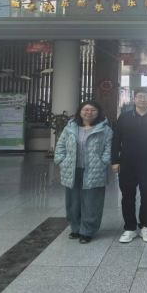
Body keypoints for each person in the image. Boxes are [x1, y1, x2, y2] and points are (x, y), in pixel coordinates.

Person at [112, 87, 147, 243]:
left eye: (146, 96)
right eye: (139, 96)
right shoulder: (124, 117)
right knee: (127, 196)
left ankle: (145, 226)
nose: (142, 99)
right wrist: (114, 160)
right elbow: (116, 140)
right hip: (127, 162)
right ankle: (130, 228)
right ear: (134, 99)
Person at [54, 100, 113, 244]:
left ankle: (87, 231)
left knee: (92, 202)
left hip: (94, 170)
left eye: (93, 110)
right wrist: (61, 160)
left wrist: (103, 162)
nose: (89, 112)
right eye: (85, 109)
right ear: (80, 112)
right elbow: (60, 145)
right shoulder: (70, 127)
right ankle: (75, 228)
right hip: (71, 169)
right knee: (72, 201)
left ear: (98, 112)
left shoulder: (105, 129)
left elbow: (108, 149)